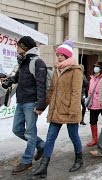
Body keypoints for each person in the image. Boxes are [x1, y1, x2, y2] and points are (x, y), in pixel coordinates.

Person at [31, 40, 84, 178]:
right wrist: (42, 106)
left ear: (68, 56)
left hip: (70, 110)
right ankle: (43, 167)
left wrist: (73, 110)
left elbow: (76, 92)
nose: (59, 57)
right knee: (50, 138)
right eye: (58, 55)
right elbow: (51, 90)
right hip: (56, 109)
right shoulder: (56, 70)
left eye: (61, 55)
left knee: (74, 136)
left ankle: (79, 159)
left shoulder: (76, 70)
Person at [1, 36, 46, 175]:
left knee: (30, 133)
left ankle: (27, 160)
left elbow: (41, 85)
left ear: (26, 47)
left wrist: (40, 105)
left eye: (19, 46)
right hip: (21, 101)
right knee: (16, 129)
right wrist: (9, 81)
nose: (17, 48)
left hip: (31, 102)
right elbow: (17, 78)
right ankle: (41, 145)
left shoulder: (37, 62)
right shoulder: (23, 61)